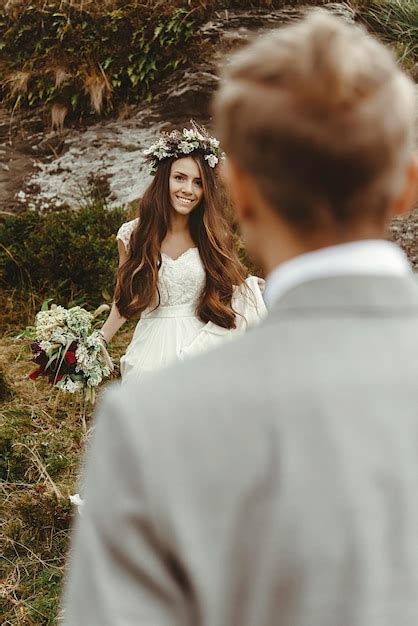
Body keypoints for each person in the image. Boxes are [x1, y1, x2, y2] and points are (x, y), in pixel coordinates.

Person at [63, 10, 418, 626]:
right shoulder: (138, 243)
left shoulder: (148, 427)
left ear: (240, 193)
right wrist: (94, 339)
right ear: (408, 185)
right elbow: (128, 298)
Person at [98, 123, 266, 382]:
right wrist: (96, 343)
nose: (188, 189)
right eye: (180, 178)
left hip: (201, 343)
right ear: (164, 178)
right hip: (153, 346)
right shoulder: (133, 235)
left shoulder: (210, 235)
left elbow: (221, 293)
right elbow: (125, 299)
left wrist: (250, 290)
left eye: (198, 182)